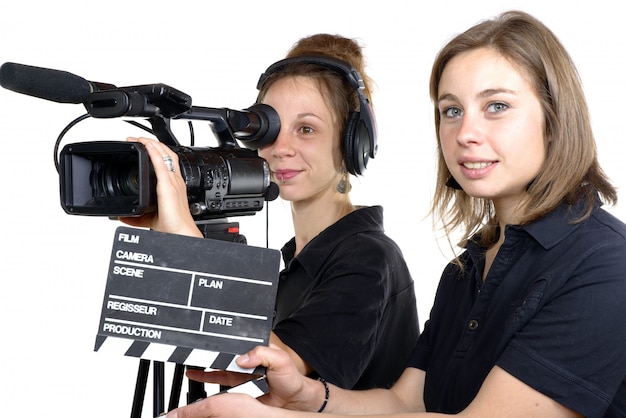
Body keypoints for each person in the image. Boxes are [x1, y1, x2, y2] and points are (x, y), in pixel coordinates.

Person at [164, 10, 626, 418]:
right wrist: (309, 395)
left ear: (556, 116)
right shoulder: (465, 270)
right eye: (451, 110)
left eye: (497, 107)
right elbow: (407, 401)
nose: (466, 132)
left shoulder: (606, 265)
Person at [121, 33, 419, 391]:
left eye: (306, 129)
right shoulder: (294, 264)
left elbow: (277, 361)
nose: (281, 149)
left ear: (352, 144)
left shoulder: (369, 257)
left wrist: (185, 241)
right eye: (269, 128)